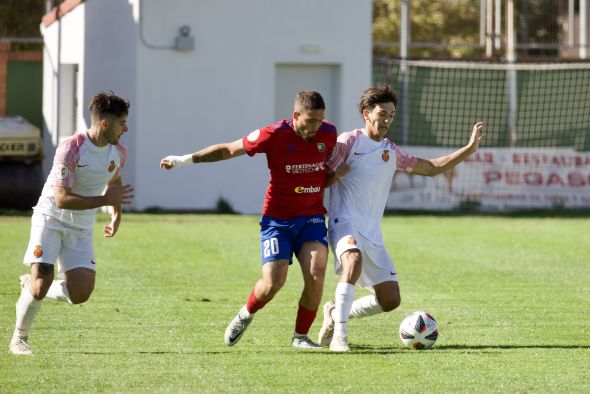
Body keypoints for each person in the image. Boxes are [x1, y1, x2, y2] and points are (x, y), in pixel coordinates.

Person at [160, 91, 338, 349]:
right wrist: (184, 160)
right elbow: (228, 150)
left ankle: (300, 336)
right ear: (296, 115)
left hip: (311, 217)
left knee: (316, 273)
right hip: (277, 220)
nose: (316, 126)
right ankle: (246, 314)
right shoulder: (274, 134)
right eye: (311, 120)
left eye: (320, 120)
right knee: (272, 284)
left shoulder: (328, 134)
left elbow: (328, 172)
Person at [318, 86, 486, 352]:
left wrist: (468, 149)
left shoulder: (390, 152)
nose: (387, 120)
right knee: (353, 261)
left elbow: (431, 169)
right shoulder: (348, 142)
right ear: (366, 114)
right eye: (382, 114)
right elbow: (321, 179)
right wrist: (336, 175)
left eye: (391, 115)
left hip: (372, 234)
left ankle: (335, 312)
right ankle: (339, 337)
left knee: (390, 300)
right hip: (344, 223)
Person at [8, 91, 134, 356]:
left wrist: (116, 213)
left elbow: (113, 180)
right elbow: (62, 199)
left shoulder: (119, 152)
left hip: (82, 225)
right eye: (122, 122)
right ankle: (19, 339)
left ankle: (29, 285)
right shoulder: (71, 148)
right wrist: (103, 201)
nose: (126, 128)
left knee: (81, 293)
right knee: (42, 283)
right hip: (51, 218)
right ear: (104, 124)